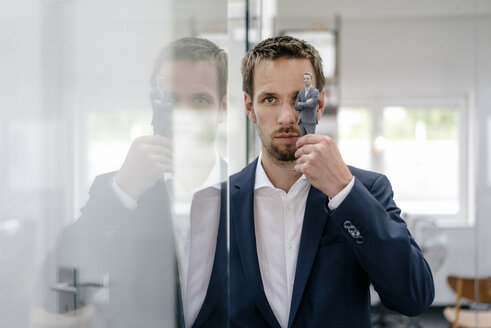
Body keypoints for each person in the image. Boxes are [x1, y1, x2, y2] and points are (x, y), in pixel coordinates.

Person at [229, 35, 434, 328]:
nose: (287, 117)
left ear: (320, 103)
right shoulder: (219, 203)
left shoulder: (367, 190)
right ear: (249, 107)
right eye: (270, 99)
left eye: (300, 99)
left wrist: (345, 193)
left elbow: (414, 297)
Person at [37, 37, 228, 328]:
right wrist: (122, 192)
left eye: (200, 100)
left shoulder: (253, 196)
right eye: (171, 100)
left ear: (223, 109)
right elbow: (56, 297)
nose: (184, 117)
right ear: (154, 104)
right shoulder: (117, 192)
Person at [294, 71, 319, 136]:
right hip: (301, 121)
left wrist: (300, 103)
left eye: (307, 79)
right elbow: (296, 106)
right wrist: (305, 103)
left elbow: (311, 105)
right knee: (302, 143)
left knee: (310, 142)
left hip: (310, 121)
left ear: (311, 79)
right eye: (304, 78)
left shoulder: (315, 92)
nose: (306, 80)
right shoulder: (301, 92)